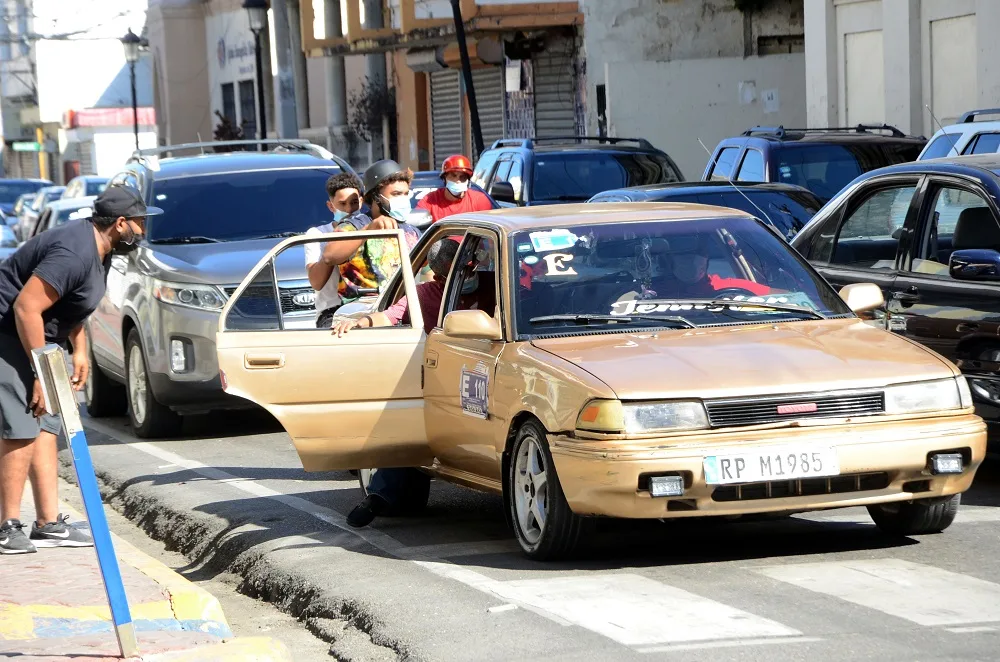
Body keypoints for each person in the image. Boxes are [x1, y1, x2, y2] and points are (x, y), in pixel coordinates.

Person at [0, 185, 160, 554]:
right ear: (120, 224)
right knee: (23, 424)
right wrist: (39, 372)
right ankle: (7, 527)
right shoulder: (73, 253)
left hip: (40, 337)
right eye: (140, 223)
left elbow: (72, 305)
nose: (143, 230)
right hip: (9, 334)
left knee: (46, 423)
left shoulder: (100, 249)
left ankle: (48, 523)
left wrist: (81, 351)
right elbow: (26, 308)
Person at [319, 160, 421, 304]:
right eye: (396, 194)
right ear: (375, 197)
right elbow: (330, 256)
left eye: (405, 194)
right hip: (361, 309)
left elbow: (426, 272)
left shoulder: (412, 232)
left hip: (404, 307)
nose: (403, 199)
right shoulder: (354, 225)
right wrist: (368, 230)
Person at [304, 173, 363, 328]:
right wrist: (335, 247)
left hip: (366, 307)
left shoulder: (368, 229)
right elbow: (316, 282)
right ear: (331, 206)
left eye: (354, 202)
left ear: (361, 202)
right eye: (342, 204)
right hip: (332, 312)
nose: (349, 209)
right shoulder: (317, 235)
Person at [416, 154, 494, 223]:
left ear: (468, 180)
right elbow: (416, 221)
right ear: (444, 178)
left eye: (462, 177)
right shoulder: (430, 200)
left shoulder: (479, 200)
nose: (458, 181)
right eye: (453, 175)